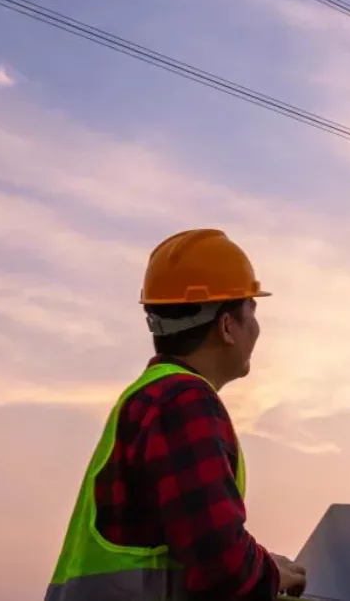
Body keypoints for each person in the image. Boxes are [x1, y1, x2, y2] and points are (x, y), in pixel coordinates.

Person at [45, 229, 307, 601]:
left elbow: (193, 542)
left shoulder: (153, 395)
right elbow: (221, 567)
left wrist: (263, 565)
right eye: (252, 309)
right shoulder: (183, 402)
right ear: (227, 327)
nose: (257, 326)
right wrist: (271, 574)